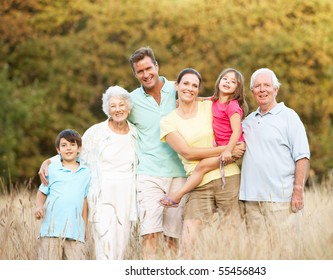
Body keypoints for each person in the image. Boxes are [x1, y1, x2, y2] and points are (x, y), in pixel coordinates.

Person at [38, 86, 138, 260]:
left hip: (126, 195)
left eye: (121, 105)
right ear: (107, 109)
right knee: (104, 241)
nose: (118, 109)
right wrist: (48, 161)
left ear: (128, 107)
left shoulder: (135, 133)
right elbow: (75, 151)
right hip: (103, 194)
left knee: (122, 244)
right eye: (113, 106)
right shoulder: (97, 131)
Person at [160, 68, 245, 256]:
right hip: (198, 184)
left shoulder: (209, 106)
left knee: (231, 240)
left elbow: (215, 101)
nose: (190, 88)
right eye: (186, 84)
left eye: (195, 86)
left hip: (227, 177)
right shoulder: (168, 121)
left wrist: (230, 151)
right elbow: (188, 153)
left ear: (199, 90)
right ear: (177, 85)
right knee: (188, 242)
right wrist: (227, 150)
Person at [239, 68, 310, 258]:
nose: (262, 90)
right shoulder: (247, 122)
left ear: (276, 89)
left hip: (281, 200)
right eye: (257, 86)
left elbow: (302, 156)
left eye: (267, 85)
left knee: (284, 254)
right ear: (252, 91)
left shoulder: (289, 117)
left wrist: (298, 190)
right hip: (252, 200)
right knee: (257, 255)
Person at [128, 47, 187, 259]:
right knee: (150, 234)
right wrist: (55, 159)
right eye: (140, 71)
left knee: (173, 237)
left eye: (148, 68)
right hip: (149, 174)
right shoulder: (131, 101)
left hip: (180, 174)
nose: (145, 74)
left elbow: (207, 108)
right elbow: (108, 128)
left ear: (156, 66)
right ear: (135, 74)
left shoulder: (178, 88)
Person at [35, 129, 90, 260]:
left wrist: (85, 227)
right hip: (51, 231)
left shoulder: (86, 172)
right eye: (64, 145)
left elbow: (84, 201)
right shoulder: (52, 169)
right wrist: (39, 207)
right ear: (58, 150)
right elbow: (42, 191)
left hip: (75, 233)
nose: (68, 148)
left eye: (72, 144)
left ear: (79, 148)